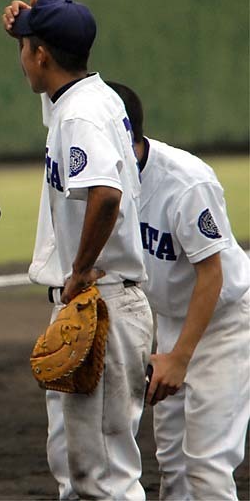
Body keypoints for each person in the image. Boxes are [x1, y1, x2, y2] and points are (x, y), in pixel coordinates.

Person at [1, 0, 154, 499]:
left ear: (41, 55)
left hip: (102, 299)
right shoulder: (90, 97)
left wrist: (80, 267)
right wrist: (26, 29)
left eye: (26, 47)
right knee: (79, 470)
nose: (22, 55)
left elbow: (105, 195)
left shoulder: (79, 116)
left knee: (105, 475)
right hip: (102, 301)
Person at [107, 81, 250, 500]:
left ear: (121, 132)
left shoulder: (186, 183)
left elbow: (213, 275)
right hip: (170, 321)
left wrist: (179, 359)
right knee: (174, 467)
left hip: (223, 324)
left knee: (206, 466)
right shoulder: (105, 180)